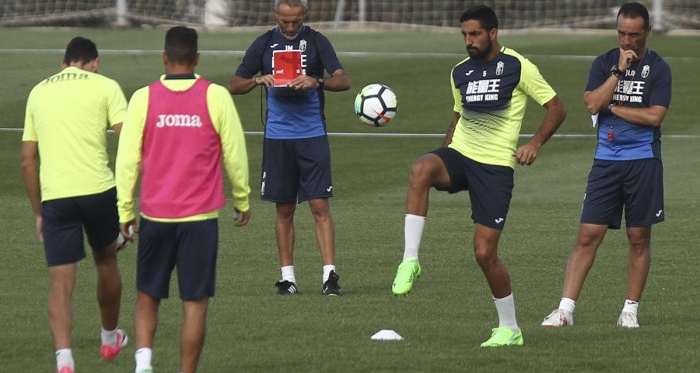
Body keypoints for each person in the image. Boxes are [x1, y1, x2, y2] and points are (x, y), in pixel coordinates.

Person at [390, 5, 567, 347]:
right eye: (464, 35)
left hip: (495, 167)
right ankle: (409, 261)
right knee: (421, 168)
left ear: (493, 33)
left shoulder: (517, 65)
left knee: (484, 253)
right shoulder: (460, 72)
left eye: (475, 34)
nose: (469, 41)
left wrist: (535, 143)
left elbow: (557, 107)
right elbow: (459, 117)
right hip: (461, 155)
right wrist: (441, 155)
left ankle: (509, 328)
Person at [116, 26, 251, 373]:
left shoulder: (143, 98)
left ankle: (143, 364)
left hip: (156, 218)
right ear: (197, 59)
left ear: (164, 57)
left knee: (147, 295)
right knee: (195, 305)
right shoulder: (216, 96)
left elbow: (127, 160)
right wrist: (242, 200)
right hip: (200, 221)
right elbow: (235, 154)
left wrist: (125, 210)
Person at [542, 2, 671, 329]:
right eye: (622, 34)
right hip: (606, 162)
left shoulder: (658, 68)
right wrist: (617, 73)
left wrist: (614, 107)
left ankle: (630, 311)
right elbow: (591, 103)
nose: (627, 41)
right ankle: (565, 310)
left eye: (634, 35)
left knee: (639, 236)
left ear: (648, 32)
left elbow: (654, 116)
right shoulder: (603, 63)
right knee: (588, 234)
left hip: (643, 161)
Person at [21, 37, 129, 373]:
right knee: (107, 260)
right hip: (98, 191)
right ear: (95, 62)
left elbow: (27, 160)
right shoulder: (107, 86)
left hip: (56, 197)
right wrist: (127, 205)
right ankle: (109, 339)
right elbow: (128, 143)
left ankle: (64, 360)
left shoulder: (38, 91)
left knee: (61, 284)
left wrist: (40, 211)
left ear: (63, 63)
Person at [229, 0, 350, 296]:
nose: (291, 27)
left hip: (312, 135)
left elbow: (343, 80)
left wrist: (316, 81)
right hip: (277, 137)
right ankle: (288, 278)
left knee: (319, 205)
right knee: (284, 208)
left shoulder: (318, 41)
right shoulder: (264, 44)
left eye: (296, 21)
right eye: (286, 22)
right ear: (277, 17)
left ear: (304, 16)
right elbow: (234, 84)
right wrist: (258, 79)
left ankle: (329, 275)